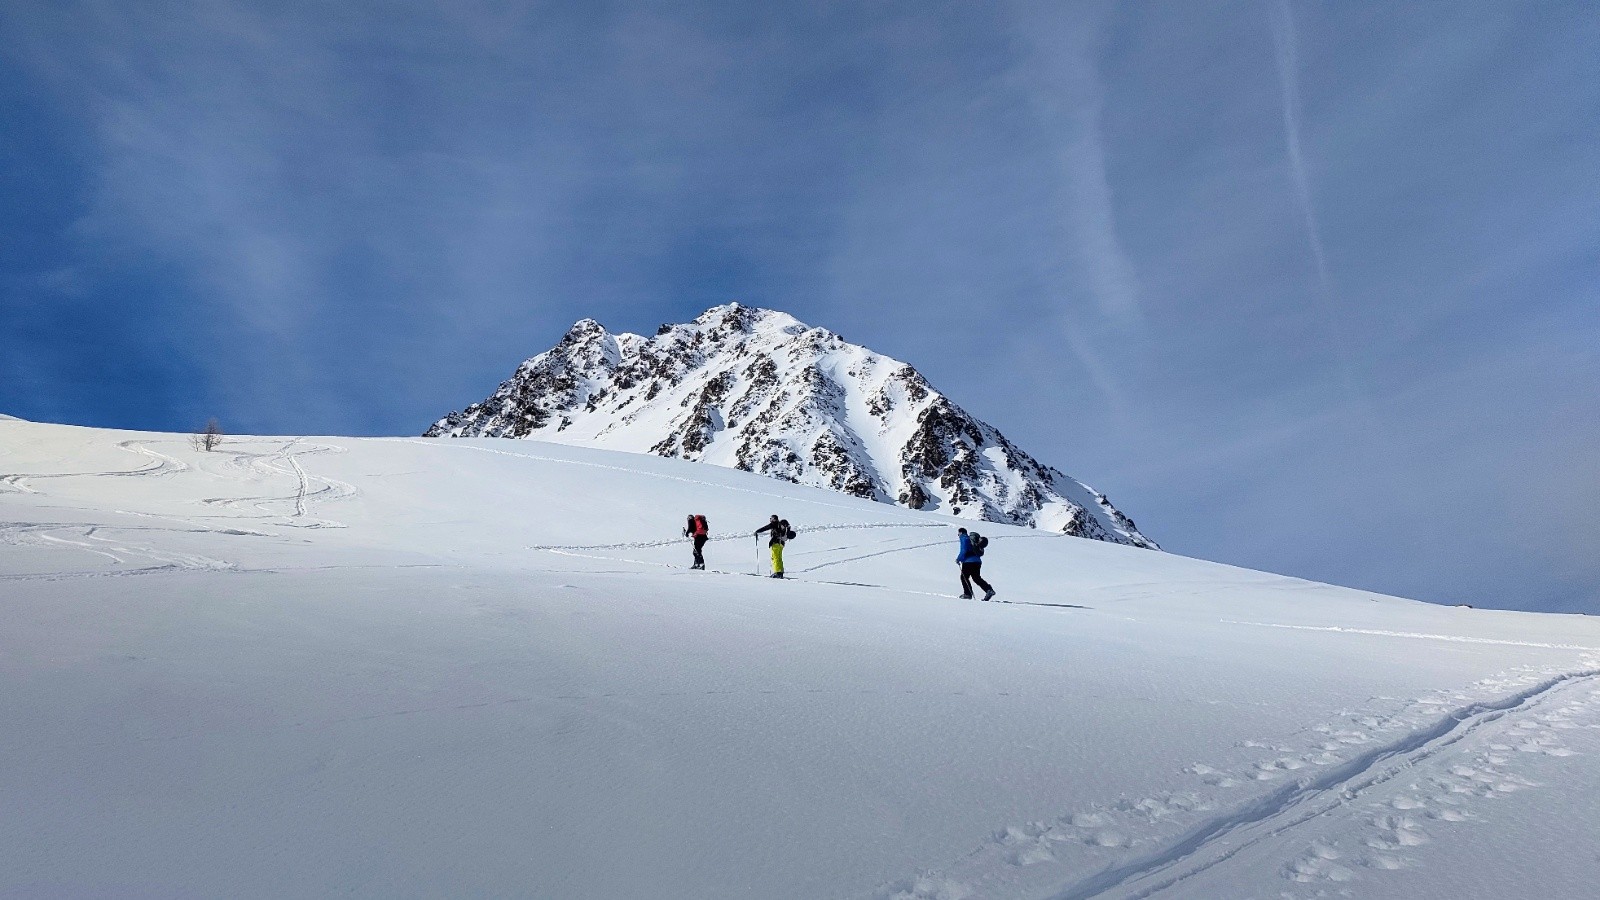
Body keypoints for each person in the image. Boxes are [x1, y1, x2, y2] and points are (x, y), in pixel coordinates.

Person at [956, 527, 995, 600]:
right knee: (976, 578)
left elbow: (963, 550)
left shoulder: (964, 538)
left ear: (961, 532)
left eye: (958, 533)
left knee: (964, 577)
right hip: (977, 562)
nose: (958, 535)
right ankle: (988, 590)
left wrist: (958, 559)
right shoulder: (972, 540)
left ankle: (968, 594)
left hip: (968, 561)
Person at [754, 514, 792, 578]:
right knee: (779, 558)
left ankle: (777, 573)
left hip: (775, 543)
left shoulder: (774, 524)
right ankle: (780, 572)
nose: (770, 520)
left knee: (775, 557)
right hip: (781, 544)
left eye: (771, 519)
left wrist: (757, 531)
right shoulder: (782, 525)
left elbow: (765, 528)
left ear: (773, 519)